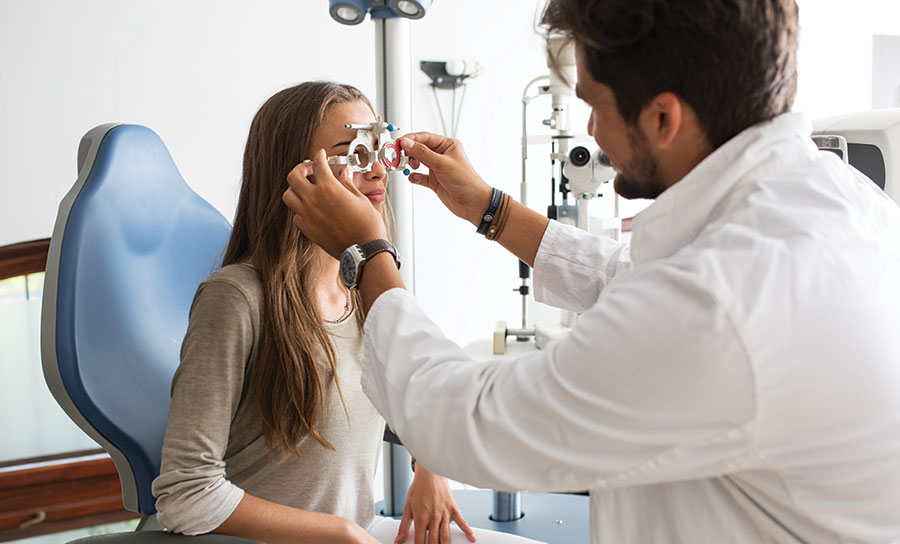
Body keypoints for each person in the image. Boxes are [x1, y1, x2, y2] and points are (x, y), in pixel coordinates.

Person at [282, 1, 900, 542]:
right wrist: (493, 210)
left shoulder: (722, 303)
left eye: (594, 106)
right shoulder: (836, 200)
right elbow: (628, 275)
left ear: (663, 118)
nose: (591, 131)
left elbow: (467, 425)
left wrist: (366, 253)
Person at [152, 81, 539, 544]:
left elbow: (406, 390)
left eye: (379, 152)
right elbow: (187, 493)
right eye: (354, 154)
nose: (376, 172)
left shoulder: (362, 290)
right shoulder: (236, 298)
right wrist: (340, 532)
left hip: (359, 531)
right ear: (295, 176)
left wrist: (428, 466)